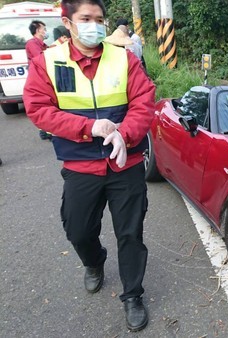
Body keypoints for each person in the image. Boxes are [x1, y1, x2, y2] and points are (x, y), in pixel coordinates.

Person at [23, 0, 155, 332]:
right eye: (85, 18)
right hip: (81, 165)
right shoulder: (48, 62)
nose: (94, 25)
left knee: (131, 233)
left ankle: (133, 294)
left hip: (126, 162)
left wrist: (125, 133)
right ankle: (94, 262)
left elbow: (144, 100)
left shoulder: (123, 58)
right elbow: (38, 107)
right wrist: (88, 127)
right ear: (68, 23)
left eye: (99, 19)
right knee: (78, 230)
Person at [25, 20, 53, 140]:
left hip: (46, 75)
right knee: (42, 104)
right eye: (43, 28)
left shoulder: (42, 44)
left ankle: (46, 131)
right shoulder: (32, 43)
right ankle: (44, 131)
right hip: (39, 77)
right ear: (37, 29)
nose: (45, 31)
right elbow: (41, 58)